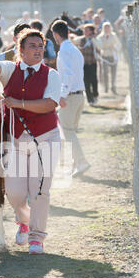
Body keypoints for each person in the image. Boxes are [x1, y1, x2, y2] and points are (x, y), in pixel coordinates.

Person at [0, 28, 62, 255]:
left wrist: (18, 103)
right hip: (16, 141)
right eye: (32, 46)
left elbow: (49, 104)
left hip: (45, 139)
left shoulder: (51, 75)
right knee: (14, 192)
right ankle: (24, 221)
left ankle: (37, 238)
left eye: (40, 46)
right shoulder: (10, 70)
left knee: (38, 190)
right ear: (21, 50)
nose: (38, 50)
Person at [52, 19, 90, 178]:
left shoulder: (64, 51)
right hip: (79, 95)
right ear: (67, 32)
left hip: (71, 96)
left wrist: (62, 95)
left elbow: (67, 75)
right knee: (70, 131)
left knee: (67, 131)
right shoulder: (74, 49)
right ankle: (77, 163)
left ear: (55, 35)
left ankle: (81, 162)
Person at [73, 24, 100, 106]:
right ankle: (90, 99)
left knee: (94, 80)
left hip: (92, 63)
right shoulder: (81, 40)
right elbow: (73, 40)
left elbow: (100, 46)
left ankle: (95, 94)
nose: (85, 32)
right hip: (83, 65)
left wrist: (93, 38)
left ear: (91, 31)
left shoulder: (94, 40)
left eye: (87, 30)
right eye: (84, 30)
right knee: (86, 82)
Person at [96, 21, 121, 94]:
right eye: (105, 27)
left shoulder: (114, 35)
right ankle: (106, 86)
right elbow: (99, 46)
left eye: (108, 27)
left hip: (113, 55)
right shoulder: (100, 37)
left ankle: (113, 86)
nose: (107, 29)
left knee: (114, 72)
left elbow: (118, 44)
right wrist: (104, 47)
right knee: (105, 72)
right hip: (105, 56)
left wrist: (115, 48)